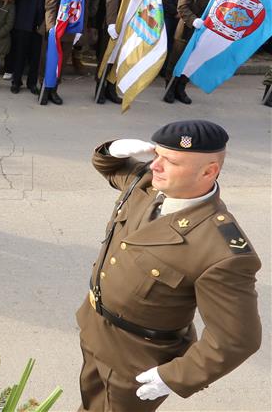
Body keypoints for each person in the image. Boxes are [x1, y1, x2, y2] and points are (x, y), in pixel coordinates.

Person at [77, 120, 261, 412]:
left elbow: (237, 339)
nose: (155, 167)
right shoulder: (146, 183)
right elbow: (109, 167)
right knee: (90, 404)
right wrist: (111, 150)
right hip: (94, 329)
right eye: (156, 156)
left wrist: (174, 377)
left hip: (135, 359)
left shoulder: (221, 249)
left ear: (209, 171)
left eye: (170, 161)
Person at [165, 0, 226, 105]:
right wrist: (194, 20)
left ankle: (181, 88)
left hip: (207, 32)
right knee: (177, 60)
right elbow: (182, 6)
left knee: (192, 62)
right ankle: (170, 88)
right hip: (188, 29)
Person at [5, 0, 43, 94]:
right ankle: (16, 82)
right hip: (22, 23)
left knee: (34, 56)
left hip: (38, 23)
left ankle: (32, 83)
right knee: (19, 54)